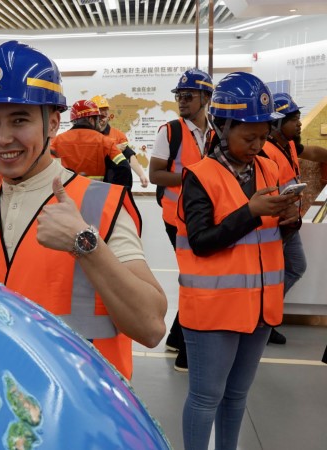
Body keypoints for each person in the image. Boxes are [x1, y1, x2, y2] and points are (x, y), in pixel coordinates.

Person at [0, 41, 166, 380]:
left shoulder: (100, 205)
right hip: (0, 402)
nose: (3, 138)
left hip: (84, 405)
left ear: (52, 123)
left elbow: (151, 327)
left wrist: (86, 244)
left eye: (19, 120)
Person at [176, 71, 300, 450]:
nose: (258, 145)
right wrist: (251, 212)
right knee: (206, 397)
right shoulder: (199, 177)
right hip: (214, 310)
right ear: (222, 126)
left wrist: (288, 220)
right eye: (249, 137)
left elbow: (269, 239)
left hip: (259, 307)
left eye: (263, 136)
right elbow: (201, 242)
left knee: (236, 396)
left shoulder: (267, 167)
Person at [148, 68, 214, 372]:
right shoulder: (170, 131)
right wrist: (194, 178)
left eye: (188, 96)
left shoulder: (213, 131)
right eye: (179, 96)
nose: (182, 101)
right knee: (195, 279)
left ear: (206, 98)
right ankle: (186, 353)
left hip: (203, 217)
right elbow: (155, 174)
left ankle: (176, 338)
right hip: (176, 219)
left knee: (194, 276)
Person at [260, 92, 327, 345]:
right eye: (294, 119)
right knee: (271, 275)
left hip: (290, 224)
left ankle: (265, 317)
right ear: (277, 123)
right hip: (274, 224)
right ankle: (263, 319)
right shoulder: (265, 151)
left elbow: (312, 152)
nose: (299, 123)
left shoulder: (287, 144)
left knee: (296, 267)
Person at [50, 99, 132, 187]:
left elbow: (47, 170)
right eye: (97, 119)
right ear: (91, 120)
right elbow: (124, 168)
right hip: (97, 194)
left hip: (65, 193)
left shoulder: (55, 142)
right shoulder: (105, 142)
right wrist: (114, 192)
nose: (99, 122)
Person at [91, 95, 149, 188]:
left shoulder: (118, 135)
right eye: (99, 112)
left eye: (105, 111)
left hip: (113, 185)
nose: (102, 116)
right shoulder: (87, 135)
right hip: (91, 184)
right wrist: (113, 149)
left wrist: (141, 175)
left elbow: (129, 156)